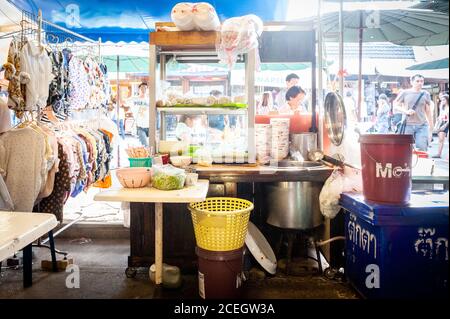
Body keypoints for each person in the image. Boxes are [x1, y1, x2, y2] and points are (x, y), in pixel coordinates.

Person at [394, 74, 433, 151]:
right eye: (417, 81)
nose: (420, 83)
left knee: (422, 148)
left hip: (422, 125)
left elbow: (428, 111)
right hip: (407, 125)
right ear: (411, 82)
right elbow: (395, 105)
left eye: (422, 81)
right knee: (405, 149)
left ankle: (421, 163)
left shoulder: (426, 94)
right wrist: (406, 111)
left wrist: (431, 127)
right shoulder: (405, 93)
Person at [128, 82, 150, 147]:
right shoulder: (134, 99)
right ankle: (147, 157)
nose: (144, 90)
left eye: (145, 88)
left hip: (150, 126)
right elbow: (123, 103)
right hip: (140, 126)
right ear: (139, 90)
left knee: (152, 146)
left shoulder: (150, 100)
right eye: (142, 88)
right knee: (145, 145)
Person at [432, 94, 449, 158]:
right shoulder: (441, 107)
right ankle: (439, 154)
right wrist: (437, 124)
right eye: (441, 100)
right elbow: (440, 116)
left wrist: (444, 126)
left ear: (447, 100)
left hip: (447, 123)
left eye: (444, 100)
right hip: (442, 122)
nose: (442, 101)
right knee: (440, 139)